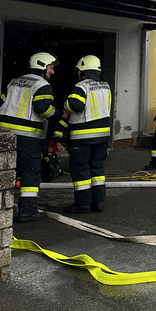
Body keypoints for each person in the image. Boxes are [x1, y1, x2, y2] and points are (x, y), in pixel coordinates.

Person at [0, 52, 61, 223]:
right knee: (31, 172)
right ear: (42, 66)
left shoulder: (14, 82)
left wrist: (5, 123)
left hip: (4, 135)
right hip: (27, 137)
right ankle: (28, 211)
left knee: (6, 170)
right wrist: (58, 114)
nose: (52, 72)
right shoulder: (42, 85)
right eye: (51, 68)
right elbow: (42, 108)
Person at [54, 55, 111, 214]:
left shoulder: (81, 86)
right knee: (97, 170)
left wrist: (65, 102)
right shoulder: (106, 86)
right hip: (102, 136)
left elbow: (76, 105)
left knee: (81, 171)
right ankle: (98, 203)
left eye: (79, 71)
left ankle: (82, 204)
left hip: (83, 138)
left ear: (82, 71)